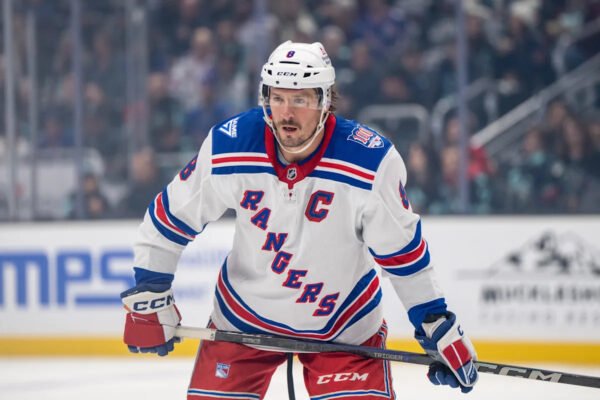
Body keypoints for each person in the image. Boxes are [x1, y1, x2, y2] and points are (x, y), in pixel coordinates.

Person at [120, 41, 479, 399]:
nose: (286, 113)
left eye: (300, 100)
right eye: (277, 98)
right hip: (242, 323)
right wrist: (151, 292)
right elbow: (169, 218)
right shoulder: (230, 146)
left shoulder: (370, 162)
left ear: (325, 101)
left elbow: (403, 255)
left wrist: (434, 322)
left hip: (344, 329)